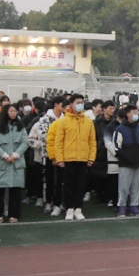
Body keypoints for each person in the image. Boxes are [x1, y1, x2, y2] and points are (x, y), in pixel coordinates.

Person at [51, 93, 97, 221]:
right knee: (68, 185)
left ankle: (78, 208)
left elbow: (92, 141)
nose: (80, 105)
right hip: (68, 158)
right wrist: (59, 159)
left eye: (81, 102)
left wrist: (91, 157)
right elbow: (58, 141)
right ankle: (69, 208)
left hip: (83, 158)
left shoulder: (88, 121)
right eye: (77, 102)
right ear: (71, 104)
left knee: (80, 185)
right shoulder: (63, 121)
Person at [0, 103, 28, 224]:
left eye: (15, 111)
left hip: (16, 162)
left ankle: (14, 214)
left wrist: (16, 154)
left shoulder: (20, 127)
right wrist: (5, 155)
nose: (13, 113)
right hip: (1, 162)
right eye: (11, 111)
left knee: (15, 190)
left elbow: (25, 142)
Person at [113, 104, 139, 217]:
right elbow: (117, 147)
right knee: (123, 187)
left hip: (138, 163)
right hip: (125, 163)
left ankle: (134, 205)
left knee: (136, 186)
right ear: (128, 114)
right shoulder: (120, 129)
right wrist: (127, 158)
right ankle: (122, 207)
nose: (136, 114)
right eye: (134, 112)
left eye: (137, 112)